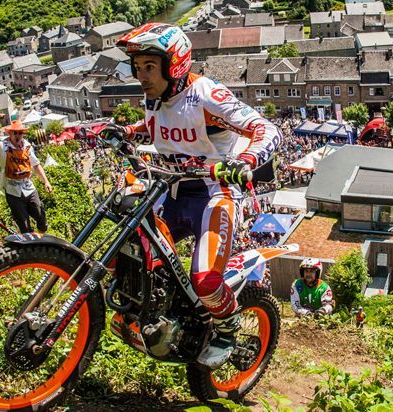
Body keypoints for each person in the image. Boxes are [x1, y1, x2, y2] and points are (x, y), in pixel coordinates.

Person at [114, 23, 281, 369]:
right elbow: (158, 123)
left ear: (173, 64)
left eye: (149, 67)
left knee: (205, 280)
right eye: (137, 67)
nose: (141, 76)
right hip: (172, 189)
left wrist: (245, 160)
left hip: (214, 191)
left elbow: (266, 129)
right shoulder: (155, 96)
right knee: (131, 254)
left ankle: (227, 328)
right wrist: (128, 131)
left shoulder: (206, 94)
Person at [0, 115, 53, 234]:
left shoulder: (27, 146)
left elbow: (36, 164)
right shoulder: (4, 147)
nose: (18, 136)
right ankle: (31, 247)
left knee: (40, 216)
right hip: (13, 191)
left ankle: (42, 239)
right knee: (24, 225)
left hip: (28, 187)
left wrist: (46, 181)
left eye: (20, 133)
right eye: (15, 133)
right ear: (10, 133)